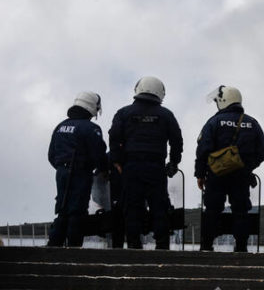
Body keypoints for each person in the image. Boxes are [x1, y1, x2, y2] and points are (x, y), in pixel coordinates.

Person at [109, 76, 183, 250]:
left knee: (132, 206)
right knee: (159, 207)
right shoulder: (166, 115)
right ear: (160, 92)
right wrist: (173, 162)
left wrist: (117, 161)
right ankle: (162, 246)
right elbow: (177, 141)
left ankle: (134, 245)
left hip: (131, 167)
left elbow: (114, 138)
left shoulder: (123, 113)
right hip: (156, 167)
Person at [195, 86, 264, 252]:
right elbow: (261, 153)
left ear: (223, 100)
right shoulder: (252, 123)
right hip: (241, 175)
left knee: (212, 210)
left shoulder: (213, 122)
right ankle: (241, 247)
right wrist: (246, 167)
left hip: (216, 175)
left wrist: (200, 174)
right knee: (241, 211)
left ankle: (206, 246)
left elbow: (203, 150)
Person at [47, 92, 108, 247]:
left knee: (63, 209)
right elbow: (99, 154)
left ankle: (54, 245)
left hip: (61, 173)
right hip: (80, 174)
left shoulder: (60, 126)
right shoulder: (90, 128)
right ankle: (74, 249)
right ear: (93, 107)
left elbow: (51, 155)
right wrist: (103, 170)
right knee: (77, 211)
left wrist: (63, 167)